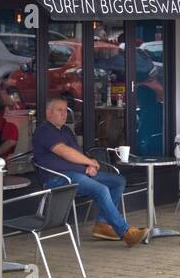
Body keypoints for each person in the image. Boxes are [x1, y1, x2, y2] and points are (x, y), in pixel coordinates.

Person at [32, 96, 147, 246]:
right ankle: (125, 232)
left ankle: (102, 225)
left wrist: (89, 166)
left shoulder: (66, 130)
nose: (64, 114)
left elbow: (77, 152)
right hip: (58, 179)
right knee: (101, 189)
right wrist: (88, 162)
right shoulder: (44, 130)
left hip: (78, 175)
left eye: (66, 110)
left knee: (118, 181)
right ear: (48, 113)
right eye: (59, 110)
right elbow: (64, 152)